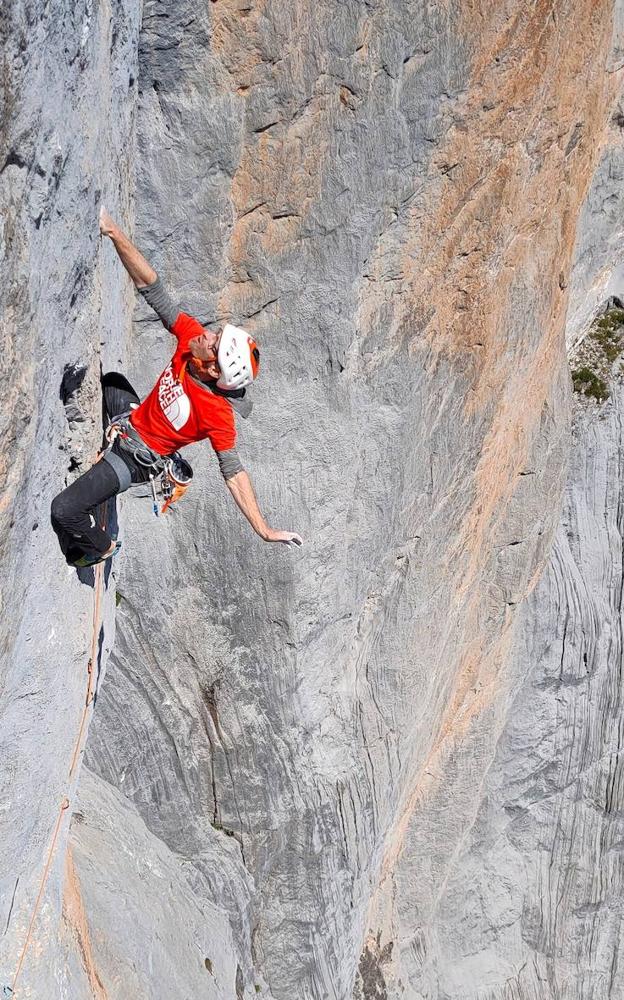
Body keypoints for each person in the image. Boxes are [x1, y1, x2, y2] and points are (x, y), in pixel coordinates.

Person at [50, 207, 303, 567]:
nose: (207, 334)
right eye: (217, 335)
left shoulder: (217, 413)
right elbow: (152, 288)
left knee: (63, 512)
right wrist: (114, 232)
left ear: (213, 368)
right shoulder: (190, 340)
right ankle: (114, 471)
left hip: (134, 460)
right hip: (133, 422)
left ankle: (99, 547)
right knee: (111, 382)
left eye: (214, 343)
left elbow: (234, 473)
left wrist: (264, 529)